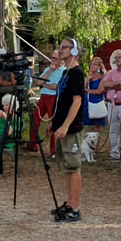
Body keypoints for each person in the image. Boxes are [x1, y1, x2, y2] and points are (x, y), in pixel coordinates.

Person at [47, 38, 93, 223]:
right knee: (67, 166)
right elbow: (61, 99)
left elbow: (77, 101)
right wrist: (54, 122)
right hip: (61, 125)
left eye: (64, 47)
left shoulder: (76, 73)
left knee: (73, 167)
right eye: (60, 47)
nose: (61, 50)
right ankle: (69, 202)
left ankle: (75, 207)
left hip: (71, 129)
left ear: (74, 50)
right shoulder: (65, 72)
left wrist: (66, 125)